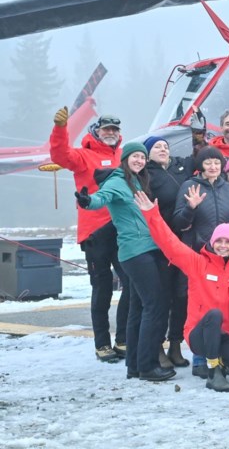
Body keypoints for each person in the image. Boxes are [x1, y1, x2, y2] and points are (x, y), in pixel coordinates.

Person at [136, 194, 229, 392]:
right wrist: (152, 214)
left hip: (226, 333)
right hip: (199, 333)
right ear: (212, 242)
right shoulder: (198, 264)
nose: (223, 246)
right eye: (219, 241)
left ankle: (220, 360)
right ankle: (213, 371)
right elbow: (170, 244)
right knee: (214, 315)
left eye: (228, 242)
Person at [78, 142, 173, 381]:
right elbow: (102, 198)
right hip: (135, 251)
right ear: (125, 159)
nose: (140, 160)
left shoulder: (138, 182)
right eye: (135, 157)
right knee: (155, 305)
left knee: (138, 307)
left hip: (146, 248)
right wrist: (87, 202)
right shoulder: (117, 181)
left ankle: (134, 364)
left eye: (142, 157)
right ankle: (148, 365)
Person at [49, 109, 129, 363]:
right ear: (96, 131)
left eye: (114, 130)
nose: (110, 133)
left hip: (122, 230)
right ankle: (102, 344)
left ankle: (124, 339)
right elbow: (61, 156)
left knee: (131, 283)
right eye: (106, 129)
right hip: (95, 232)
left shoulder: (123, 156)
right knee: (102, 288)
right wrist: (60, 129)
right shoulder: (84, 155)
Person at [143, 135, 192, 369]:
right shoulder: (147, 175)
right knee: (161, 297)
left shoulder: (178, 169)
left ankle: (175, 343)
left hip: (181, 241)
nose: (163, 150)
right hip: (160, 242)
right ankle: (158, 346)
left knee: (181, 295)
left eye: (165, 146)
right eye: (157, 147)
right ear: (147, 153)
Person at [173, 146, 229, 251]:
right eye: (208, 163)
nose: (213, 167)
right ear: (201, 165)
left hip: (223, 249)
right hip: (196, 249)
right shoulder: (189, 185)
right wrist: (190, 208)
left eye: (217, 163)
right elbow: (178, 224)